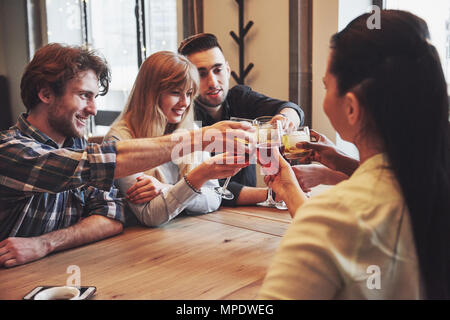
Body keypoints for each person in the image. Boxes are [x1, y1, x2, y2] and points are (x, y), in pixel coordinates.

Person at [0, 43, 252, 268]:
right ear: (45, 94)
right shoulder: (10, 152)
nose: (93, 109)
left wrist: (44, 243)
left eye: (95, 97)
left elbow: (110, 218)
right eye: (84, 96)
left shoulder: (77, 145)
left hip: (61, 270)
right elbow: (99, 165)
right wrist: (199, 140)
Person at [258, 10, 450, 299]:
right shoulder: (433, 181)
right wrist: (346, 164)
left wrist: (288, 188)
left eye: (325, 86)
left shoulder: (334, 218)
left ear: (351, 107)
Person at [105, 51, 247, 227]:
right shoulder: (118, 140)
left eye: (189, 93)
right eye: (175, 93)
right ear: (150, 93)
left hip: (186, 237)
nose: (185, 102)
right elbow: (151, 215)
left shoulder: (189, 130)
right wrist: (199, 176)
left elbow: (214, 198)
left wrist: (167, 189)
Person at [178, 33, 305, 206]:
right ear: (188, 80)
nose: (213, 82)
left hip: (249, 213)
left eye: (218, 70)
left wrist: (284, 119)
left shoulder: (239, 97)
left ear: (228, 70)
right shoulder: (183, 117)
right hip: (202, 216)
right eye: (201, 74)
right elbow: (201, 186)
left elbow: (292, 108)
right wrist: (271, 194)